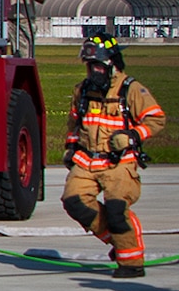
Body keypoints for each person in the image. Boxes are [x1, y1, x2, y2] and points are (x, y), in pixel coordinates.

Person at [62, 32, 164, 277]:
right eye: (90, 67)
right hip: (87, 160)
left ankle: (131, 264)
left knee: (117, 210)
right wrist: (71, 147)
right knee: (74, 202)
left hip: (119, 163)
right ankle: (120, 243)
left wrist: (132, 136)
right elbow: (75, 124)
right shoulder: (83, 92)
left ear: (111, 65)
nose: (93, 72)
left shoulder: (131, 89)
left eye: (98, 66)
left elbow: (156, 118)